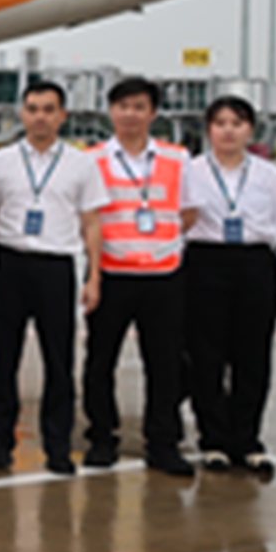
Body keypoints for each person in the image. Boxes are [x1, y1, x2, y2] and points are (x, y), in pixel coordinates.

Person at [0, 80, 106, 474]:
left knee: (59, 361)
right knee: (4, 360)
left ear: (62, 116)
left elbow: (91, 222)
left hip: (56, 266)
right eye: (33, 109)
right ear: (22, 114)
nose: (40, 117)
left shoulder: (81, 164)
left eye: (49, 110)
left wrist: (94, 276)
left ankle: (58, 447)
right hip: (9, 263)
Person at [80, 76, 197, 477]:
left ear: (153, 113)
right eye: (123, 106)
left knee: (164, 365)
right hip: (111, 271)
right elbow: (88, 218)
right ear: (111, 111)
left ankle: (162, 443)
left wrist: (161, 244)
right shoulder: (91, 160)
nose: (130, 114)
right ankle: (101, 438)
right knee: (100, 362)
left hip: (164, 274)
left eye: (139, 107)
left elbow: (189, 212)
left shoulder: (177, 158)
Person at [182, 95, 276, 478]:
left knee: (253, 357)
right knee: (206, 356)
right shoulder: (190, 171)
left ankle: (247, 440)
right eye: (220, 123)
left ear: (251, 129)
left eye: (237, 123)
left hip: (255, 264)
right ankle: (213, 439)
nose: (228, 131)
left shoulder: (269, 176)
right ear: (208, 129)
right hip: (205, 262)